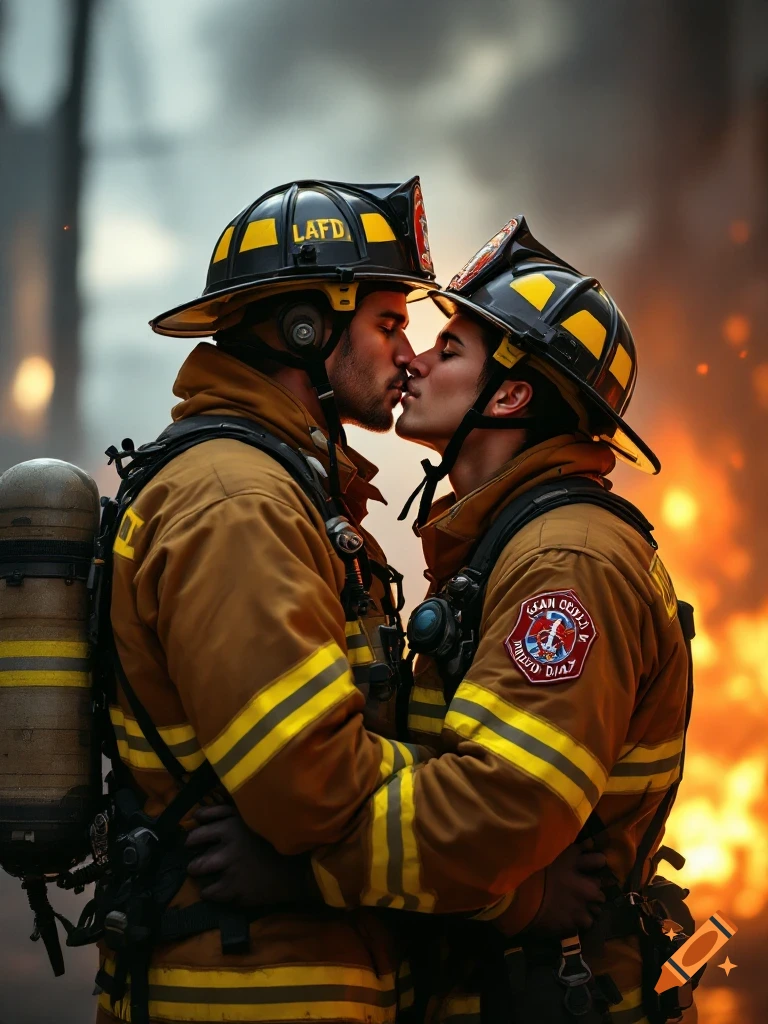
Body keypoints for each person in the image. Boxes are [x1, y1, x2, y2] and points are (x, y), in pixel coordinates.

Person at [94, 183, 604, 1024]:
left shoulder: (283, 490)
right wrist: (466, 790)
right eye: (390, 325)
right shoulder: (238, 503)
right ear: (307, 328)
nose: (410, 358)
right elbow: (311, 786)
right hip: (253, 990)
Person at [189, 217, 696, 1024]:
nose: (415, 358)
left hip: (553, 995)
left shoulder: (567, 564)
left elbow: (496, 808)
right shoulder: (505, 548)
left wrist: (305, 872)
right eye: (400, 331)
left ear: (510, 395)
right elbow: (442, 770)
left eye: (448, 349)